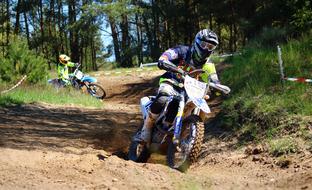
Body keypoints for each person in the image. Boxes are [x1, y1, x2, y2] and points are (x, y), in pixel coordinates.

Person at [139, 29, 221, 144]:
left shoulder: (208, 65)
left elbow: (214, 79)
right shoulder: (182, 51)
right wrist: (164, 61)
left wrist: (218, 88)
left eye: (210, 47)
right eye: (204, 44)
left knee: (203, 105)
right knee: (163, 97)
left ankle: (191, 137)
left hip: (191, 90)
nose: (206, 49)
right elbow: (166, 56)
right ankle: (147, 126)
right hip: (171, 81)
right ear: (197, 42)